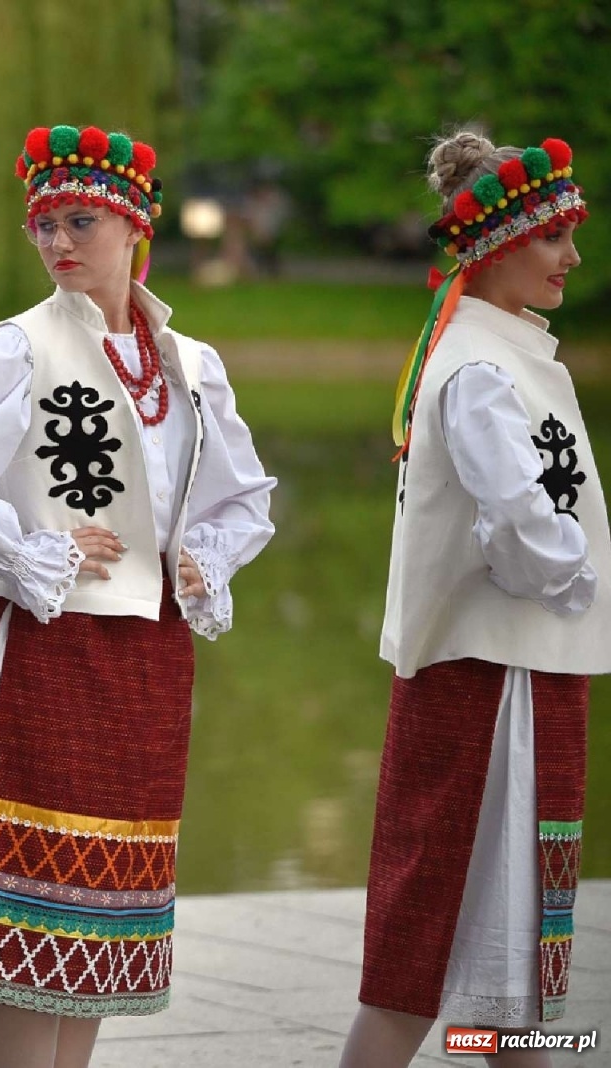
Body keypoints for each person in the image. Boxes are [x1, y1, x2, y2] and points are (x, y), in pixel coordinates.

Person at [0, 124, 275, 1068]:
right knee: (37, 912)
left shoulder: (190, 363)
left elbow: (247, 494)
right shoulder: (14, 348)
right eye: (44, 225)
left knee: (104, 913)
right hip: (49, 647)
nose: (59, 242)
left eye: (80, 222)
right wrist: (25, 549)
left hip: (149, 654)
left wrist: (203, 557)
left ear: (135, 224)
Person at [341, 130, 605, 1068]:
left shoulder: (504, 352)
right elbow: (527, 530)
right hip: (489, 684)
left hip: (520, 671)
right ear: (498, 244)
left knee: (517, 972)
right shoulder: (483, 371)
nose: (574, 256)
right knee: (423, 955)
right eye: (556, 237)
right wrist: (585, 572)